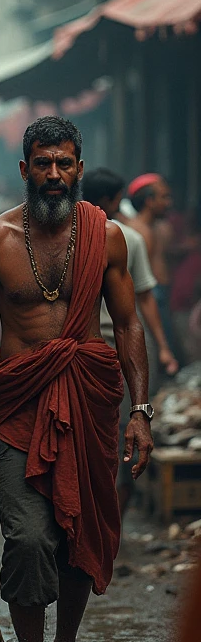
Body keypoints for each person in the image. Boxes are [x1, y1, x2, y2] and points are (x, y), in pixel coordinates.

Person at [0, 116, 152, 642]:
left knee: (81, 532)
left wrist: (141, 411)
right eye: (42, 164)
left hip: (89, 403)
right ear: (25, 170)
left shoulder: (107, 237)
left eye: (64, 164)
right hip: (19, 406)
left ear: (79, 169)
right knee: (29, 538)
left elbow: (128, 325)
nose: (54, 175)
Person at [82, 168, 178, 514]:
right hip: (101, 350)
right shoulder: (121, 236)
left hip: (102, 349)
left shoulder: (124, 237)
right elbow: (146, 299)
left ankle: (107, 506)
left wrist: (161, 345)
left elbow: (143, 299)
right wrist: (162, 345)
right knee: (113, 427)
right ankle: (105, 507)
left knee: (108, 427)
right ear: (112, 199)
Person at [127, 174, 175, 349]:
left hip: (162, 294)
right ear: (149, 200)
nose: (168, 203)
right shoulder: (136, 231)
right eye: (164, 197)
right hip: (147, 297)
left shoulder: (161, 227)